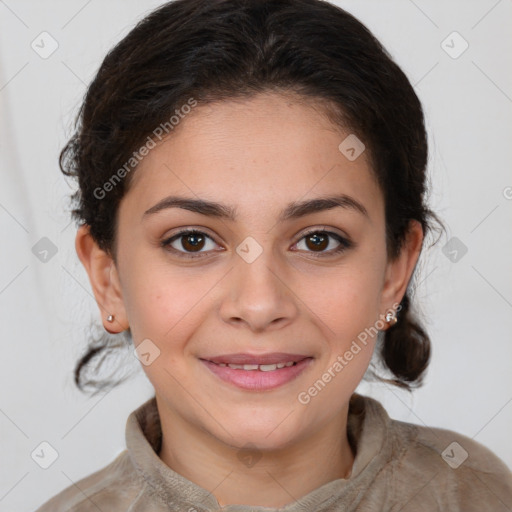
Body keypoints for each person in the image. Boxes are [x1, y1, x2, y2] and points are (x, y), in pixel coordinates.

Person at [35, 0, 512, 510]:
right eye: (192, 240)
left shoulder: (478, 492)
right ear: (108, 278)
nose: (259, 305)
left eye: (318, 240)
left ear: (395, 270)